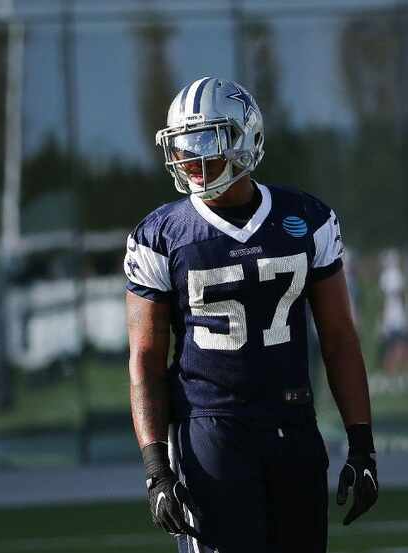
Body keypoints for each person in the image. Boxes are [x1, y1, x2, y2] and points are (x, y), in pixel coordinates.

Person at [123, 77, 377, 552]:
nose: (191, 159)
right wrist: (157, 468)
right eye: (182, 143)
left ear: (245, 139)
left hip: (294, 425)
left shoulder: (307, 219)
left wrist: (361, 444)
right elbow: (145, 359)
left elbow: (340, 337)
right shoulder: (160, 235)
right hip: (211, 432)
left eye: (205, 140)